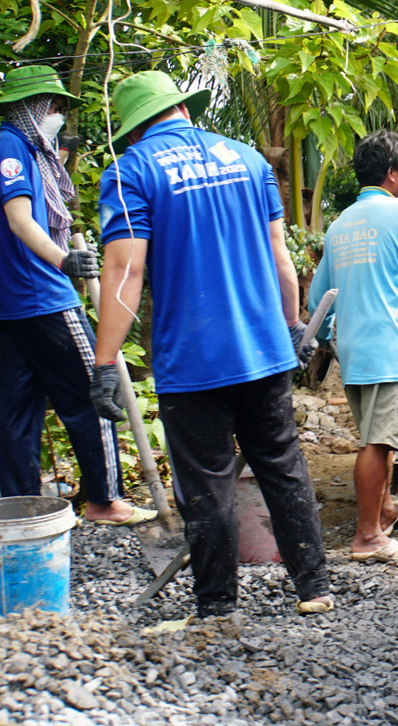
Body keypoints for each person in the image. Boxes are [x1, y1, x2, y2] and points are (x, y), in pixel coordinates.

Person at [90, 70, 331, 618]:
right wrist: (291, 326)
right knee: (281, 464)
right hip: (263, 349)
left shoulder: (132, 170)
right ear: (182, 110)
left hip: (193, 360)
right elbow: (280, 255)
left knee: (207, 481)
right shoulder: (246, 159)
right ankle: (314, 586)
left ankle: (219, 605)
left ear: (134, 129)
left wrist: (105, 361)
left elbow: (125, 271)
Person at [0, 65, 150, 525]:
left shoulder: (11, 149)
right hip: (40, 294)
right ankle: (104, 499)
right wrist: (63, 260)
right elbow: (20, 219)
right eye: (54, 108)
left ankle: (19, 506)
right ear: (33, 108)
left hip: (10, 301)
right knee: (90, 395)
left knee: (20, 408)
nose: (58, 116)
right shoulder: (12, 150)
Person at [309, 131, 398, 566]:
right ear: (391, 174)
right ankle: (368, 536)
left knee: (377, 438)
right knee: (380, 444)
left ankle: (384, 511)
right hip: (391, 347)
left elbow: (318, 301)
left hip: (354, 350)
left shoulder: (339, 225)